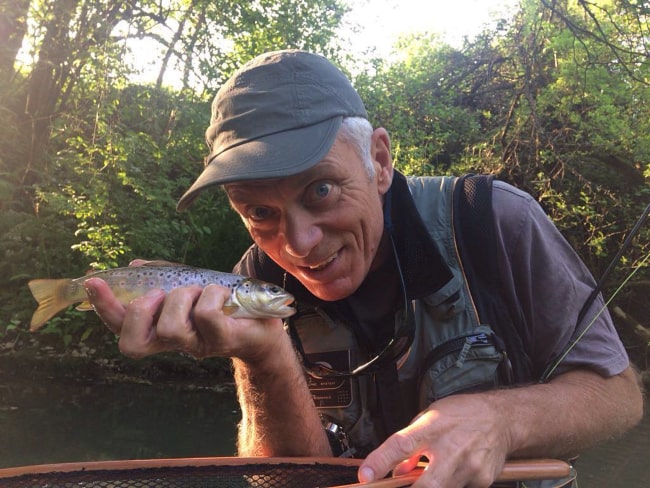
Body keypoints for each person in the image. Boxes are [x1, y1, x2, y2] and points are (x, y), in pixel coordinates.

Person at [85, 50, 643, 487]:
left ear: (378, 160)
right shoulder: (252, 282)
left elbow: (618, 395)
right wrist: (266, 356)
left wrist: (501, 419)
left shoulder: (491, 221)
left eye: (321, 190)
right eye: (260, 211)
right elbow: (280, 481)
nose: (299, 243)